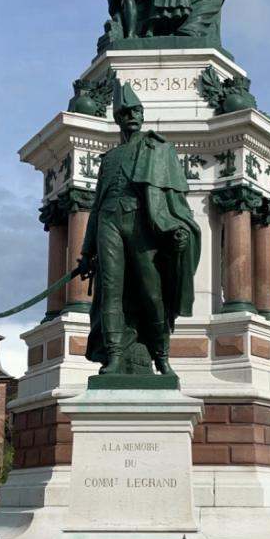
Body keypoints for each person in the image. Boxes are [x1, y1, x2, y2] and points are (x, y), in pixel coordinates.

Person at [77, 81, 201, 376]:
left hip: (141, 224)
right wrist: (85, 250)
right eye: (128, 112)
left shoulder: (159, 149)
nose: (134, 116)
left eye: (138, 111)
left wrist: (176, 228)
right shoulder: (108, 159)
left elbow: (173, 198)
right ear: (118, 118)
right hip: (109, 221)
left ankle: (161, 357)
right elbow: (96, 205)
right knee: (110, 291)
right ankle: (115, 356)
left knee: (152, 291)